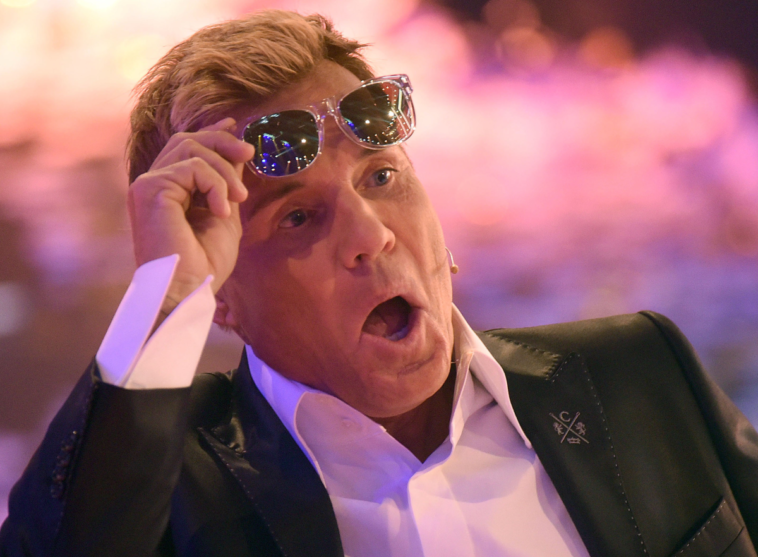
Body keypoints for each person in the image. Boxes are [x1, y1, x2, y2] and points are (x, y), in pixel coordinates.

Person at [1, 9, 757, 557]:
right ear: (223, 296)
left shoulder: (637, 373)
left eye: (382, 177)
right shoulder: (163, 487)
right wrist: (169, 293)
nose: (371, 235)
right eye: (298, 217)